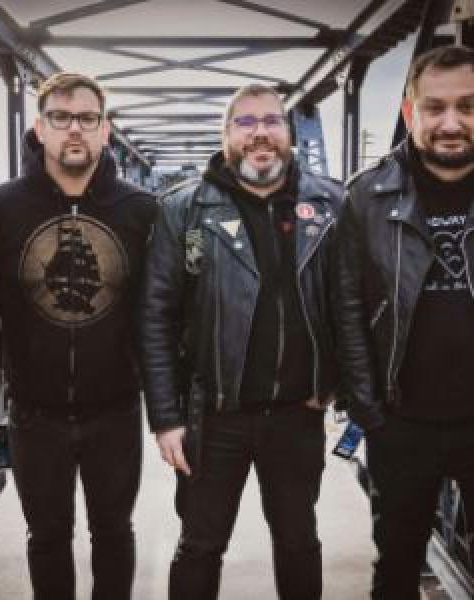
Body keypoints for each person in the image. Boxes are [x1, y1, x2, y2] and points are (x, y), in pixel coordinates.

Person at [141, 83, 342, 600]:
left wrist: (335, 385)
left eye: (272, 121)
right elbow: (155, 316)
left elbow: (350, 303)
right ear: (226, 134)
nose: (260, 133)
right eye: (246, 122)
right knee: (200, 545)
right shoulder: (184, 208)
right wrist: (165, 418)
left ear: (289, 132)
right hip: (213, 415)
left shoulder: (329, 203)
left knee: (299, 542)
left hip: (297, 413)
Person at [0, 72, 156, 600]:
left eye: (87, 118)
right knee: (47, 536)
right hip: (35, 412)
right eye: (60, 117)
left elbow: (164, 313)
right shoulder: (0, 209)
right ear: (40, 128)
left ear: (105, 129)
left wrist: (172, 408)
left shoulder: (141, 211)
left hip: (115, 408)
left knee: (114, 531)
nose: (74, 129)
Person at [336, 45, 474, 600]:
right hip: (403, 422)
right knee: (396, 566)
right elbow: (346, 309)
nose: (451, 123)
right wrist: (369, 411)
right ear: (410, 111)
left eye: (468, 106)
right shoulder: (366, 196)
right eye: (435, 107)